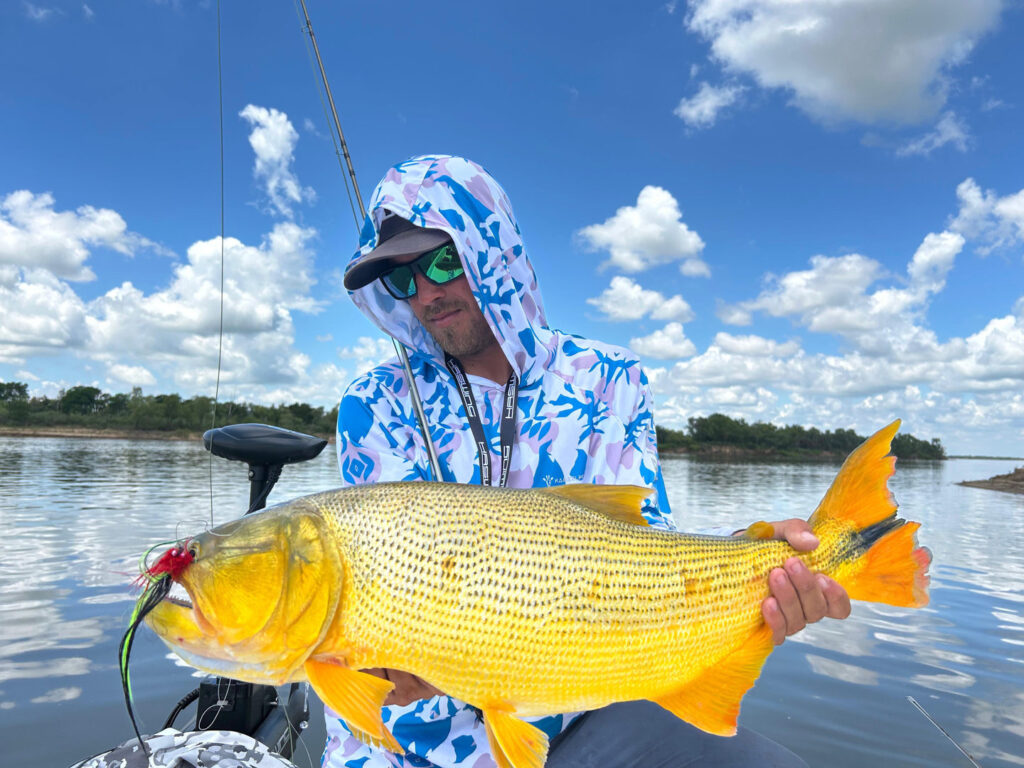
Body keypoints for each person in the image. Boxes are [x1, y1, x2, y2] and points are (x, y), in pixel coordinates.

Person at [328, 154, 850, 768]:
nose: (427, 293)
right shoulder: (374, 403)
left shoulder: (607, 377)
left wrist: (756, 562)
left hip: (583, 711)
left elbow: (644, 551)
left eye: (443, 261)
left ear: (491, 249)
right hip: (405, 743)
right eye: (401, 280)